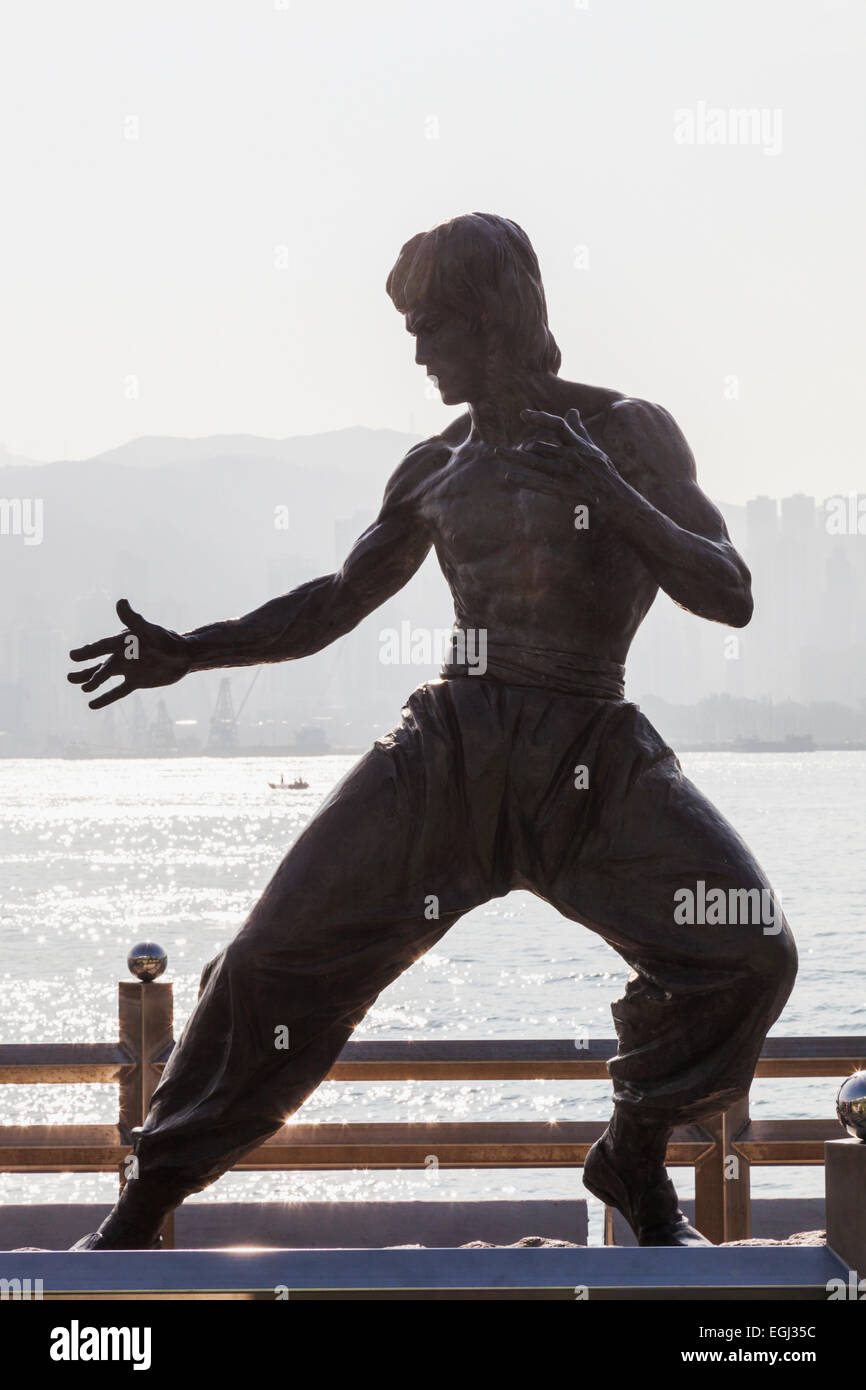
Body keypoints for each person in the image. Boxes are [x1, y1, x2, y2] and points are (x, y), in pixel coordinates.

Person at [67, 213, 796, 1249]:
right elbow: (334, 602)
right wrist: (191, 650)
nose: (416, 355)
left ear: (493, 316)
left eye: (430, 328)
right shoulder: (432, 467)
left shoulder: (629, 431)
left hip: (587, 754)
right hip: (451, 752)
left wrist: (607, 490)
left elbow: (729, 592)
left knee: (749, 954)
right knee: (271, 960)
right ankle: (142, 1206)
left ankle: (633, 1153)